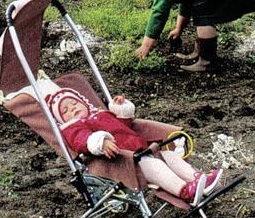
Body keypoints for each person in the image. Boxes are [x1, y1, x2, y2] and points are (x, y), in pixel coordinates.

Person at [46, 87, 222, 205]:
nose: (72, 109)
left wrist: (120, 107)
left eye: (74, 103)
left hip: (143, 149)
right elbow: (82, 140)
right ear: (62, 119)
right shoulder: (73, 128)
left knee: (171, 156)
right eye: (65, 110)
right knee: (156, 166)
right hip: (127, 164)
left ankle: (199, 179)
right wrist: (101, 141)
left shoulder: (100, 114)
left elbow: (125, 124)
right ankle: (185, 192)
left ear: (83, 102)